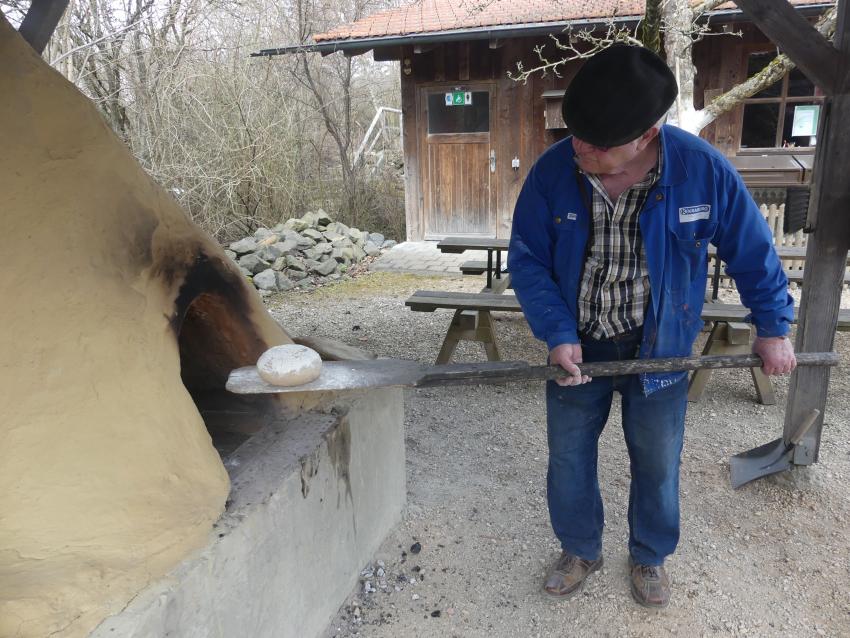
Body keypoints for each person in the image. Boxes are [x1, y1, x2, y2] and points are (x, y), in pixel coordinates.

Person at [507, 44, 796, 609]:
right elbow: (528, 259)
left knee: (658, 459)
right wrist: (557, 332)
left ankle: (649, 554)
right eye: (577, 135)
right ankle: (579, 547)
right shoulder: (553, 172)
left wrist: (773, 327)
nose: (580, 149)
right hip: (579, 347)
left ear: (647, 134)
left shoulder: (700, 171)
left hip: (660, 348)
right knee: (568, 456)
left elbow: (753, 251)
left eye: (597, 143)